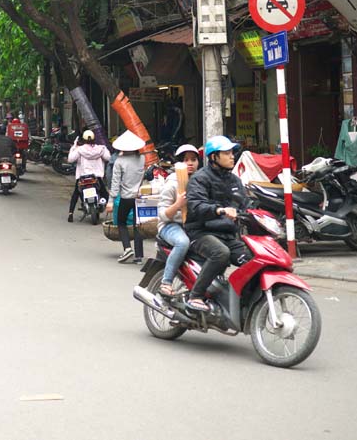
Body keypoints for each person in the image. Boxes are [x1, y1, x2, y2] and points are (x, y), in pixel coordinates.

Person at [184, 136, 251, 313]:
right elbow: (196, 206)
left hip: (227, 234)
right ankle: (195, 296)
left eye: (232, 153)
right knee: (221, 253)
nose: (232, 157)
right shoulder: (200, 179)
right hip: (201, 232)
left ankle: (241, 302)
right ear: (214, 157)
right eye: (227, 153)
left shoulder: (235, 181)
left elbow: (246, 205)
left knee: (253, 260)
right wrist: (220, 210)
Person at [156, 144, 200, 295]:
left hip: (192, 225)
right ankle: (166, 281)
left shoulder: (200, 181)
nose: (190, 163)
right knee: (183, 242)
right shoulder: (172, 183)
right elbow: (162, 214)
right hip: (170, 225)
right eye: (186, 160)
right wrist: (178, 204)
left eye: (193, 159)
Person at [106, 130, 147, 263]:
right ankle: (139, 256)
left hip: (126, 197)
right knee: (137, 226)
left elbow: (115, 182)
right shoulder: (142, 159)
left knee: (121, 222)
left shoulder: (119, 161)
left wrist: (111, 200)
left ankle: (127, 248)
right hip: (139, 197)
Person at [67, 130, 111, 222]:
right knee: (105, 194)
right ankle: (103, 203)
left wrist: (74, 147)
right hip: (96, 177)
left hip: (82, 177)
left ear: (83, 139)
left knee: (76, 194)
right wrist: (104, 149)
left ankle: (70, 213)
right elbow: (108, 158)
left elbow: (70, 159)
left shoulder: (80, 149)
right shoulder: (100, 149)